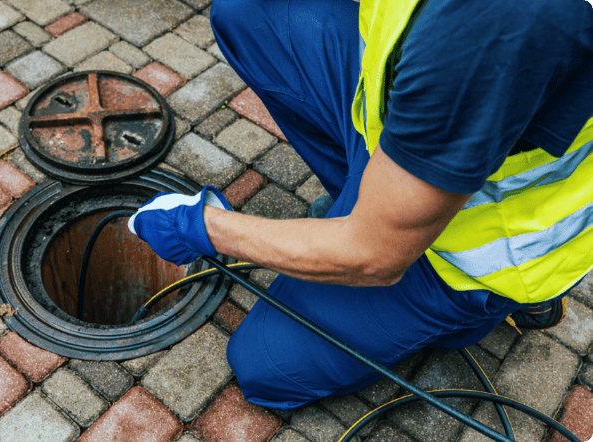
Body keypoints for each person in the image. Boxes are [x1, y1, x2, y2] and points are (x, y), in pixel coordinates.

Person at [128, 0, 593, 410]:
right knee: (247, 13)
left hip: (471, 254)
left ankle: (471, 318)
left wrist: (205, 227)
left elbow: (374, 256)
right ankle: (374, 200)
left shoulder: (492, 23)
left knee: (265, 366)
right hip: (414, 128)